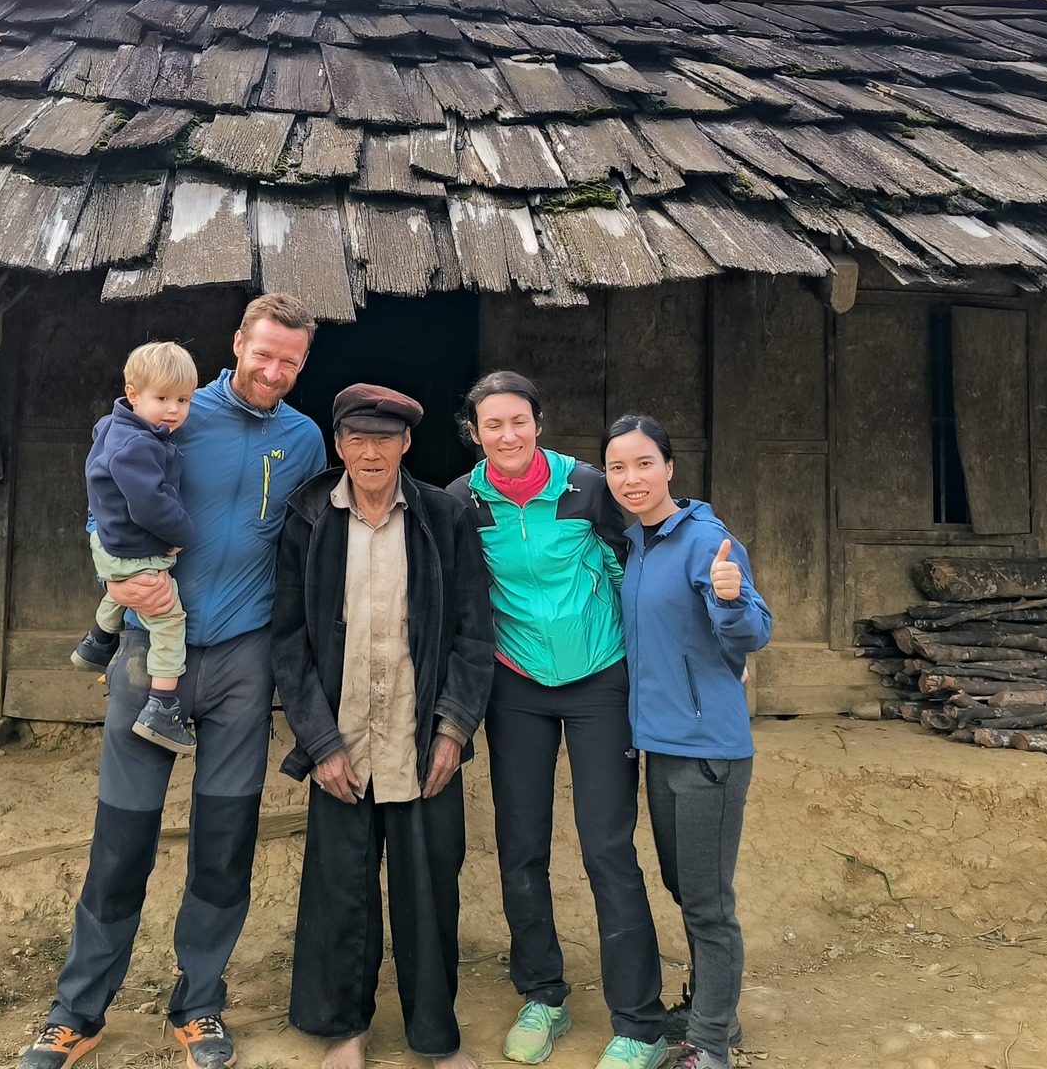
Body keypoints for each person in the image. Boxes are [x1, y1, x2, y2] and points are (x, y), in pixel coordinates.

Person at [19, 295, 328, 1069]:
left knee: (225, 842)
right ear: (238, 345)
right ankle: (78, 1009)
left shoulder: (304, 438)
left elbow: (310, 543)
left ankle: (199, 1004)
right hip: (155, 652)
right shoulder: (175, 415)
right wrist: (113, 576)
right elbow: (103, 497)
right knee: (122, 839)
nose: (275, 369)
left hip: (243, 662)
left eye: (291, 359)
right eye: (264, 353)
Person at [445, 372, 671, 1069]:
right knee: (521, 847)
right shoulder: (463, 500)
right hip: (517, 687)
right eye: (492, 425)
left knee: (608, 848)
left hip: (600, 678)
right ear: (475, 433)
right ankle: (543, 994)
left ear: (539, 423)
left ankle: (639, 1022)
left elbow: (643, 559)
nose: (507, 435)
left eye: (519, 421)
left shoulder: (588, 486)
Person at [273, 384, 495, 1069]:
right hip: (342, 742)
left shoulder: (443, 515)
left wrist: (455, 728)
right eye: (357, 439)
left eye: (385, 439)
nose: (370, 451)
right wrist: (319, 743)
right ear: (339, 446)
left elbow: (472, 633)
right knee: (342, 892)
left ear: (405, 445)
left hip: (419, 738)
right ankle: (346, 1030)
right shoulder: (309, 517)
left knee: (429, 895)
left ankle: (435, 1036)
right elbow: (289, 641)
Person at [602, 414, 772, 1069]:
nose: (631, 478)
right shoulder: (639, 544)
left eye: (644, 463)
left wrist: (732, 599)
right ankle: (712, 1015)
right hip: (662, 746)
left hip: (709, 750)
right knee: (684, 884)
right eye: (618, 467)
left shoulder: (706, 540)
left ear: (669, 467)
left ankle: (710, 1046)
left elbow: (752, 632)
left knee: (708, 901)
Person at [72, 340, 200, 754]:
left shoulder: (114, 426)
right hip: (132, 547)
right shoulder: (139, 446)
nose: (173, 410)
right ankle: (162, 706)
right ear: (133, 395)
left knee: (122, 588)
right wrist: (182, 533)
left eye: (183, 399)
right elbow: (149, 504)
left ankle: (96, 640)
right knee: (167, 617)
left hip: (106, 539)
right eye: (161, 398)